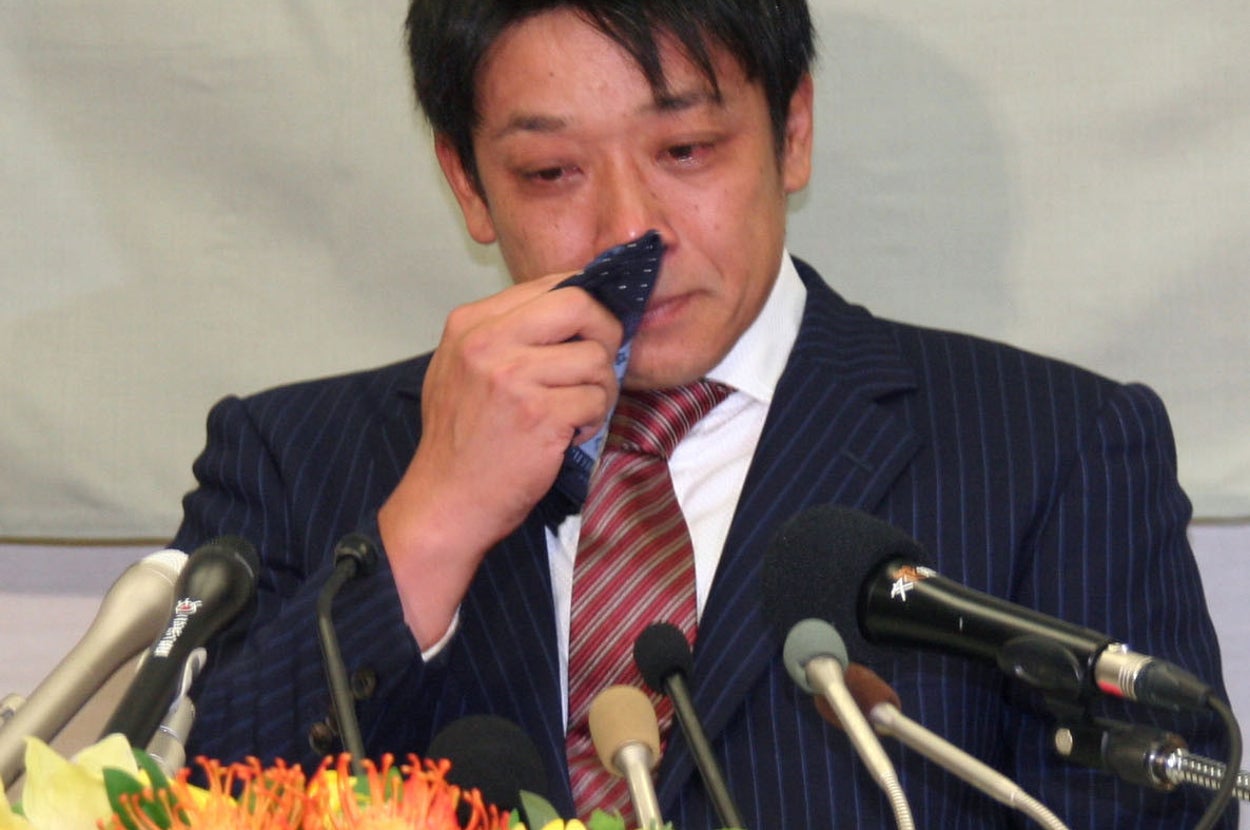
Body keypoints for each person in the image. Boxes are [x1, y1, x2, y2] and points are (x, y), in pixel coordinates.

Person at [171, 1, 1236, 826]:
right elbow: (176, 800)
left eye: (684, 151)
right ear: (468, 183)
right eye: (550, 171)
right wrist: (431, 524)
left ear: (792, 132)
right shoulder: (292, 458)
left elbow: (1159, 809)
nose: (630, 229)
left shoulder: (1053, 450)